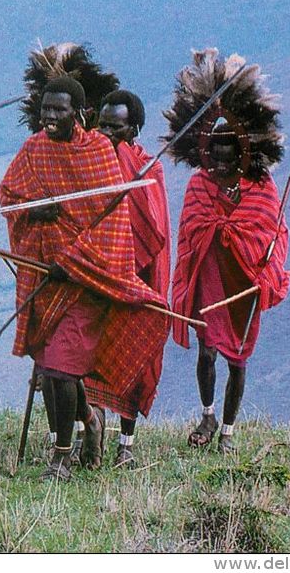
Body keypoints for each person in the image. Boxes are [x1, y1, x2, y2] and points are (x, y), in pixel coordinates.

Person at [0, 77, 168, 482]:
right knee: (49, 371)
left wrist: (74, 261)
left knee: (61, 369)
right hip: (44, 280)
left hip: (85, 282)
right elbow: (9, 196)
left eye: (58, 110)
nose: (49, 117)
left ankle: (61, 456)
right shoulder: (33, 149)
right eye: (45, 110)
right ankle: (88, 421)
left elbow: (113, 225)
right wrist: (32, 213)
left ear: (78, 112)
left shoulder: (97, 154)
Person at [163, 48, 290, 454]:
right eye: (212, 154)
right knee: (207, 349)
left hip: (245, 280)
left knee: (238, 357)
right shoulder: (199, 186)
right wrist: (215, 233)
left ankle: (229, 432)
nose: (219, 162)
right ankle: (207, 412)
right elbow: (190, 232)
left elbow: (269, 230)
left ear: (242, 151)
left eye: (227, 154)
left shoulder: (261, 187)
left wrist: (242, 244)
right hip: (208, 277)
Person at [86, 90, 171, 467]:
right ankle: (89, 438)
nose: (106, 132)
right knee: (88, 356)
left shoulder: (148, 167)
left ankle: (127, 444)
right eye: (102, 124)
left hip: (135, 280)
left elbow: (153, 226)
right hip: (95, 274)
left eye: (115, 127)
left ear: (133, 128)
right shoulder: (89, 158)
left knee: (132, 360)